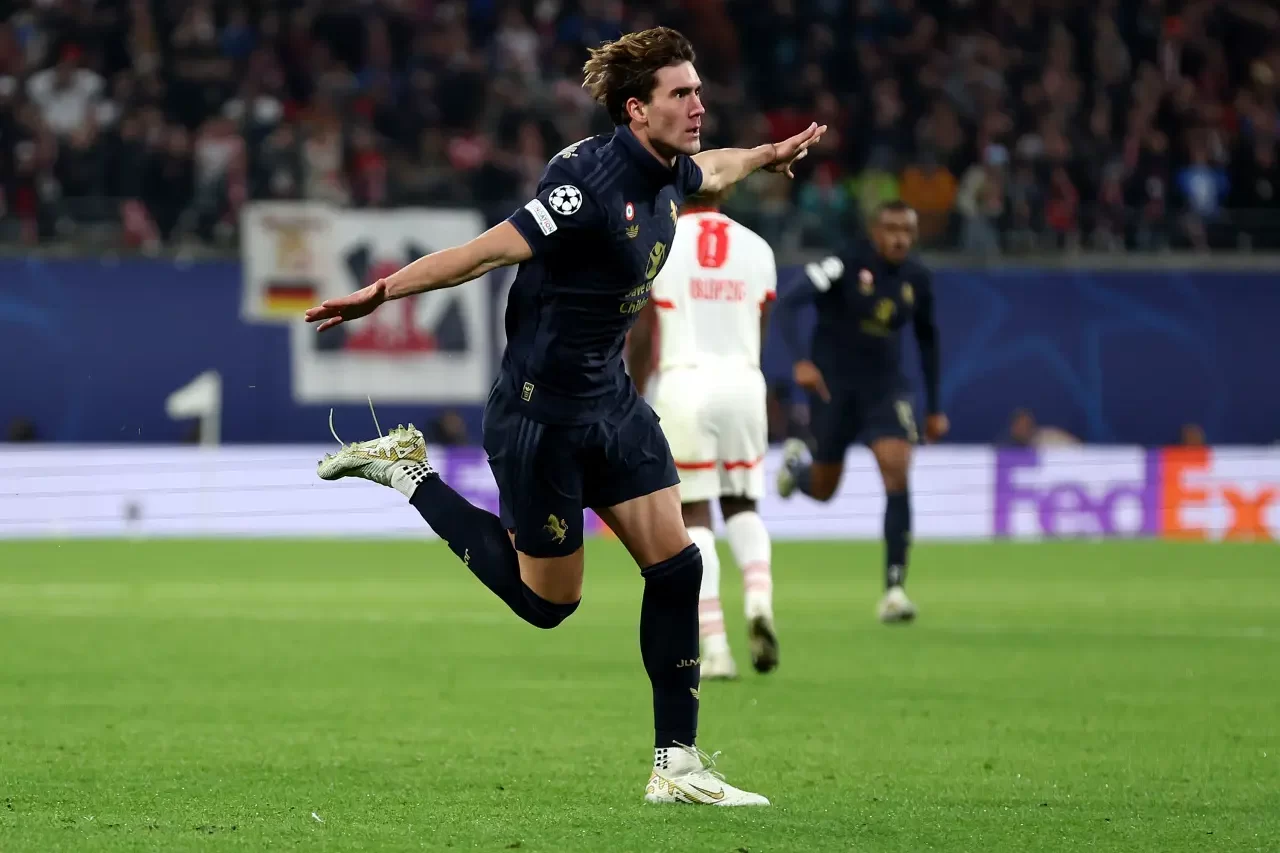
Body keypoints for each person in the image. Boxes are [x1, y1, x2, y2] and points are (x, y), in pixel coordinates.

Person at [303, 27, 825, 807]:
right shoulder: (587, 187)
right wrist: (380, 292)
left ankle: (676, 765)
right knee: (549, 603)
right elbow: (482, 253)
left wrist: (764, 155)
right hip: (540, 417)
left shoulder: (670, 171)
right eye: (681, 94)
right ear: (637, 109)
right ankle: (408, 472)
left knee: (678, 565)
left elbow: (714, 170)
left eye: (698, 91)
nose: (698, 106)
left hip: (610, 401)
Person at [628, 190, 779, 681]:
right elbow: (762, 325)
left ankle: (716, 647)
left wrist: (633, 389)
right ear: (726, 189)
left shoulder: (660, 241)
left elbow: (644, 331)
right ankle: (758, 602)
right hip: (744, 380)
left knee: (692, 513)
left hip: (684, 381)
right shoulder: (758, 247)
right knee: (742, 504)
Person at [774, 201, 947, 623]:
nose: (899, 239)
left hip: (885, 389)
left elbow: (927, 340)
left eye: (906, 230)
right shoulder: (843, 264)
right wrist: (801, 361)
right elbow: (787, 305)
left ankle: (895, 590)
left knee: (896, 467)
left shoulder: (917, 278)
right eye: (891, 229)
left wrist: (934, 407)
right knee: (824, 488)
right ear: (875, 231)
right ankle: (798, 470)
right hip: (833, 389)